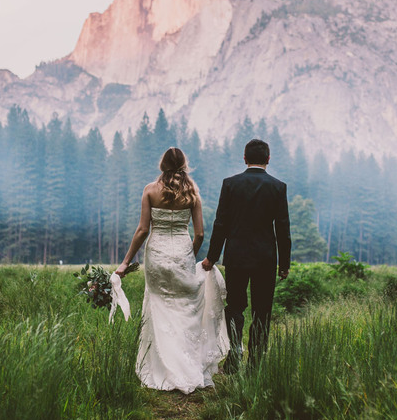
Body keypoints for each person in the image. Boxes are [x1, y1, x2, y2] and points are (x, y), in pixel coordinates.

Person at [116, 147, 229, 394]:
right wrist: (190, 254)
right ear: (183, 165)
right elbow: (199, 234)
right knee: (185, 306)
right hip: (182, 252)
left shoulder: (150, 190)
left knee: (159, 305)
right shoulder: (192, 192)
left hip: (156, 254)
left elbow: (142, 230)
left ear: (162, 164)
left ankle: (162, 366)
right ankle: (187, 365)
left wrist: (125, 262)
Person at [202, 139, 291, 373]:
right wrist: (284, 264)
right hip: (265, 260)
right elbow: (283, 229)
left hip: (236, 257)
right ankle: (255, 365)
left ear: (244, 158)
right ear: (268, 159)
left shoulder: (230, 184)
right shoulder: (278, 187)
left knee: (235, 307)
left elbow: (220, 224)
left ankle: (234, 357)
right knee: (262, 311)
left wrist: (212, 257)